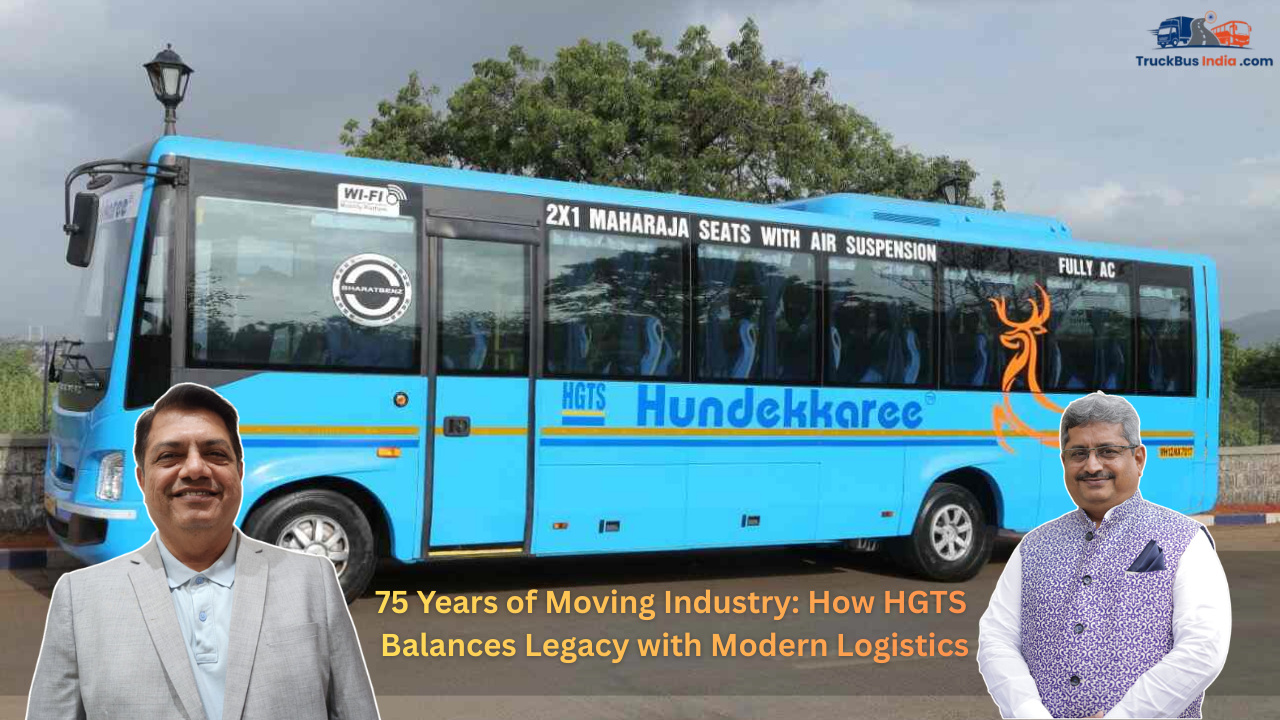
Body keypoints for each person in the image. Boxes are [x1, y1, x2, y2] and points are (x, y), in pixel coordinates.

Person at [27, 383, 380, 720]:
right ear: (142, 479)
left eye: (215, 454)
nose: (195, 468)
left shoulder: (313, 582)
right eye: (170, 456)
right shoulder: (80, 599)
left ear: (239, 472)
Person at [976, 392, 1230, 718]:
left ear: (1138, 458)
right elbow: (997, 640)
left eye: (1108, 451)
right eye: (1078, 453)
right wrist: (1029, 712)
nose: (1092, 465)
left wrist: (1124, 716)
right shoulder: (1034, 547)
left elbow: (1203, 648)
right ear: (1064, 461)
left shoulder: (1184, 540)